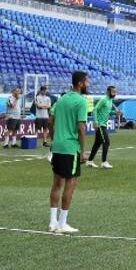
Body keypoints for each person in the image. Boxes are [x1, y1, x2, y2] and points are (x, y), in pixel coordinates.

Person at [48, 71, 89, 233]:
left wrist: (55, 138)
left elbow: (50, 121)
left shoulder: (61, 99)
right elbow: (81, 128)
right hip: (70, 148)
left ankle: (52, 222)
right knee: (70, 183)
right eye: (87, 81)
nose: (89, 84)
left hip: (57, 146)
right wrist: (82, 151)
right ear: (80, 83)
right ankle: (62, 223)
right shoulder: (80, 101)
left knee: (57, 183)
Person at [87, 86, 117, 169]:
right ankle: (104, 162)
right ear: (108, 92)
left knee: (97, 144)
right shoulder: (104, 99)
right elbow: (95, 109)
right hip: (100, 125)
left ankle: (89, 161)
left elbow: (107, 112)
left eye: (115, 92)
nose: (114, 93)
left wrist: (114, 113)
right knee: (106, 142)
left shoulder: (110, 101)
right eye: (113, 92)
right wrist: (95, 122)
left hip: (103, 124)